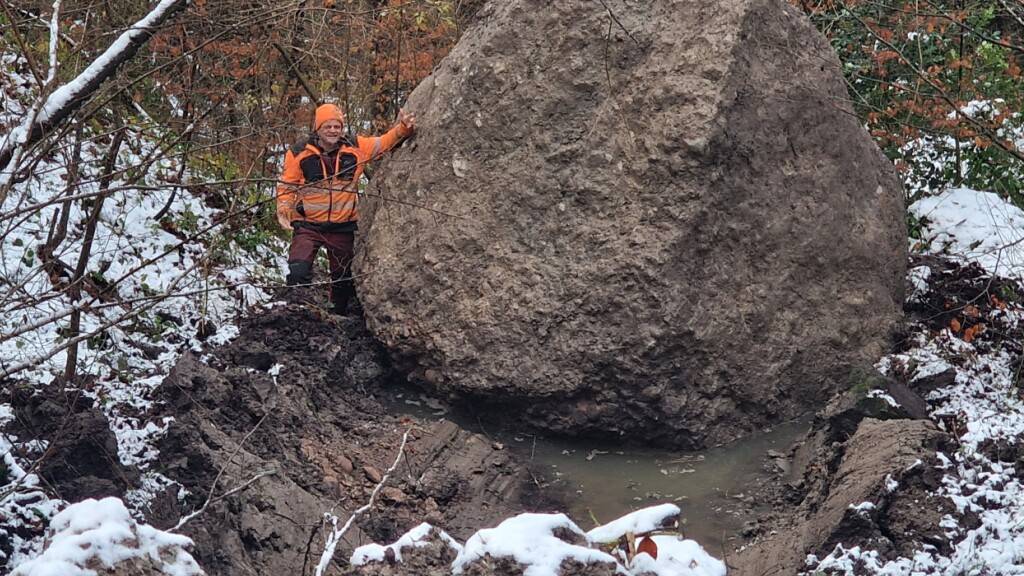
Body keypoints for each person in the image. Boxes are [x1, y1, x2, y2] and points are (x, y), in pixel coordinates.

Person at [276, 103, 415, 314]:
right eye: (328, 126)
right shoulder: (299, 152)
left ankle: (337, 317)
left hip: (342, 226)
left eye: (337, 126)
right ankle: (296, 314)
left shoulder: (355, 146)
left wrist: (403, 130)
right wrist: (284, 208)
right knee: (298, 270)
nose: (333, 131)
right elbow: (287, 184)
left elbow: (382, 143)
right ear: (318, 128)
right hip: (308, 225)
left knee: (342, 279)